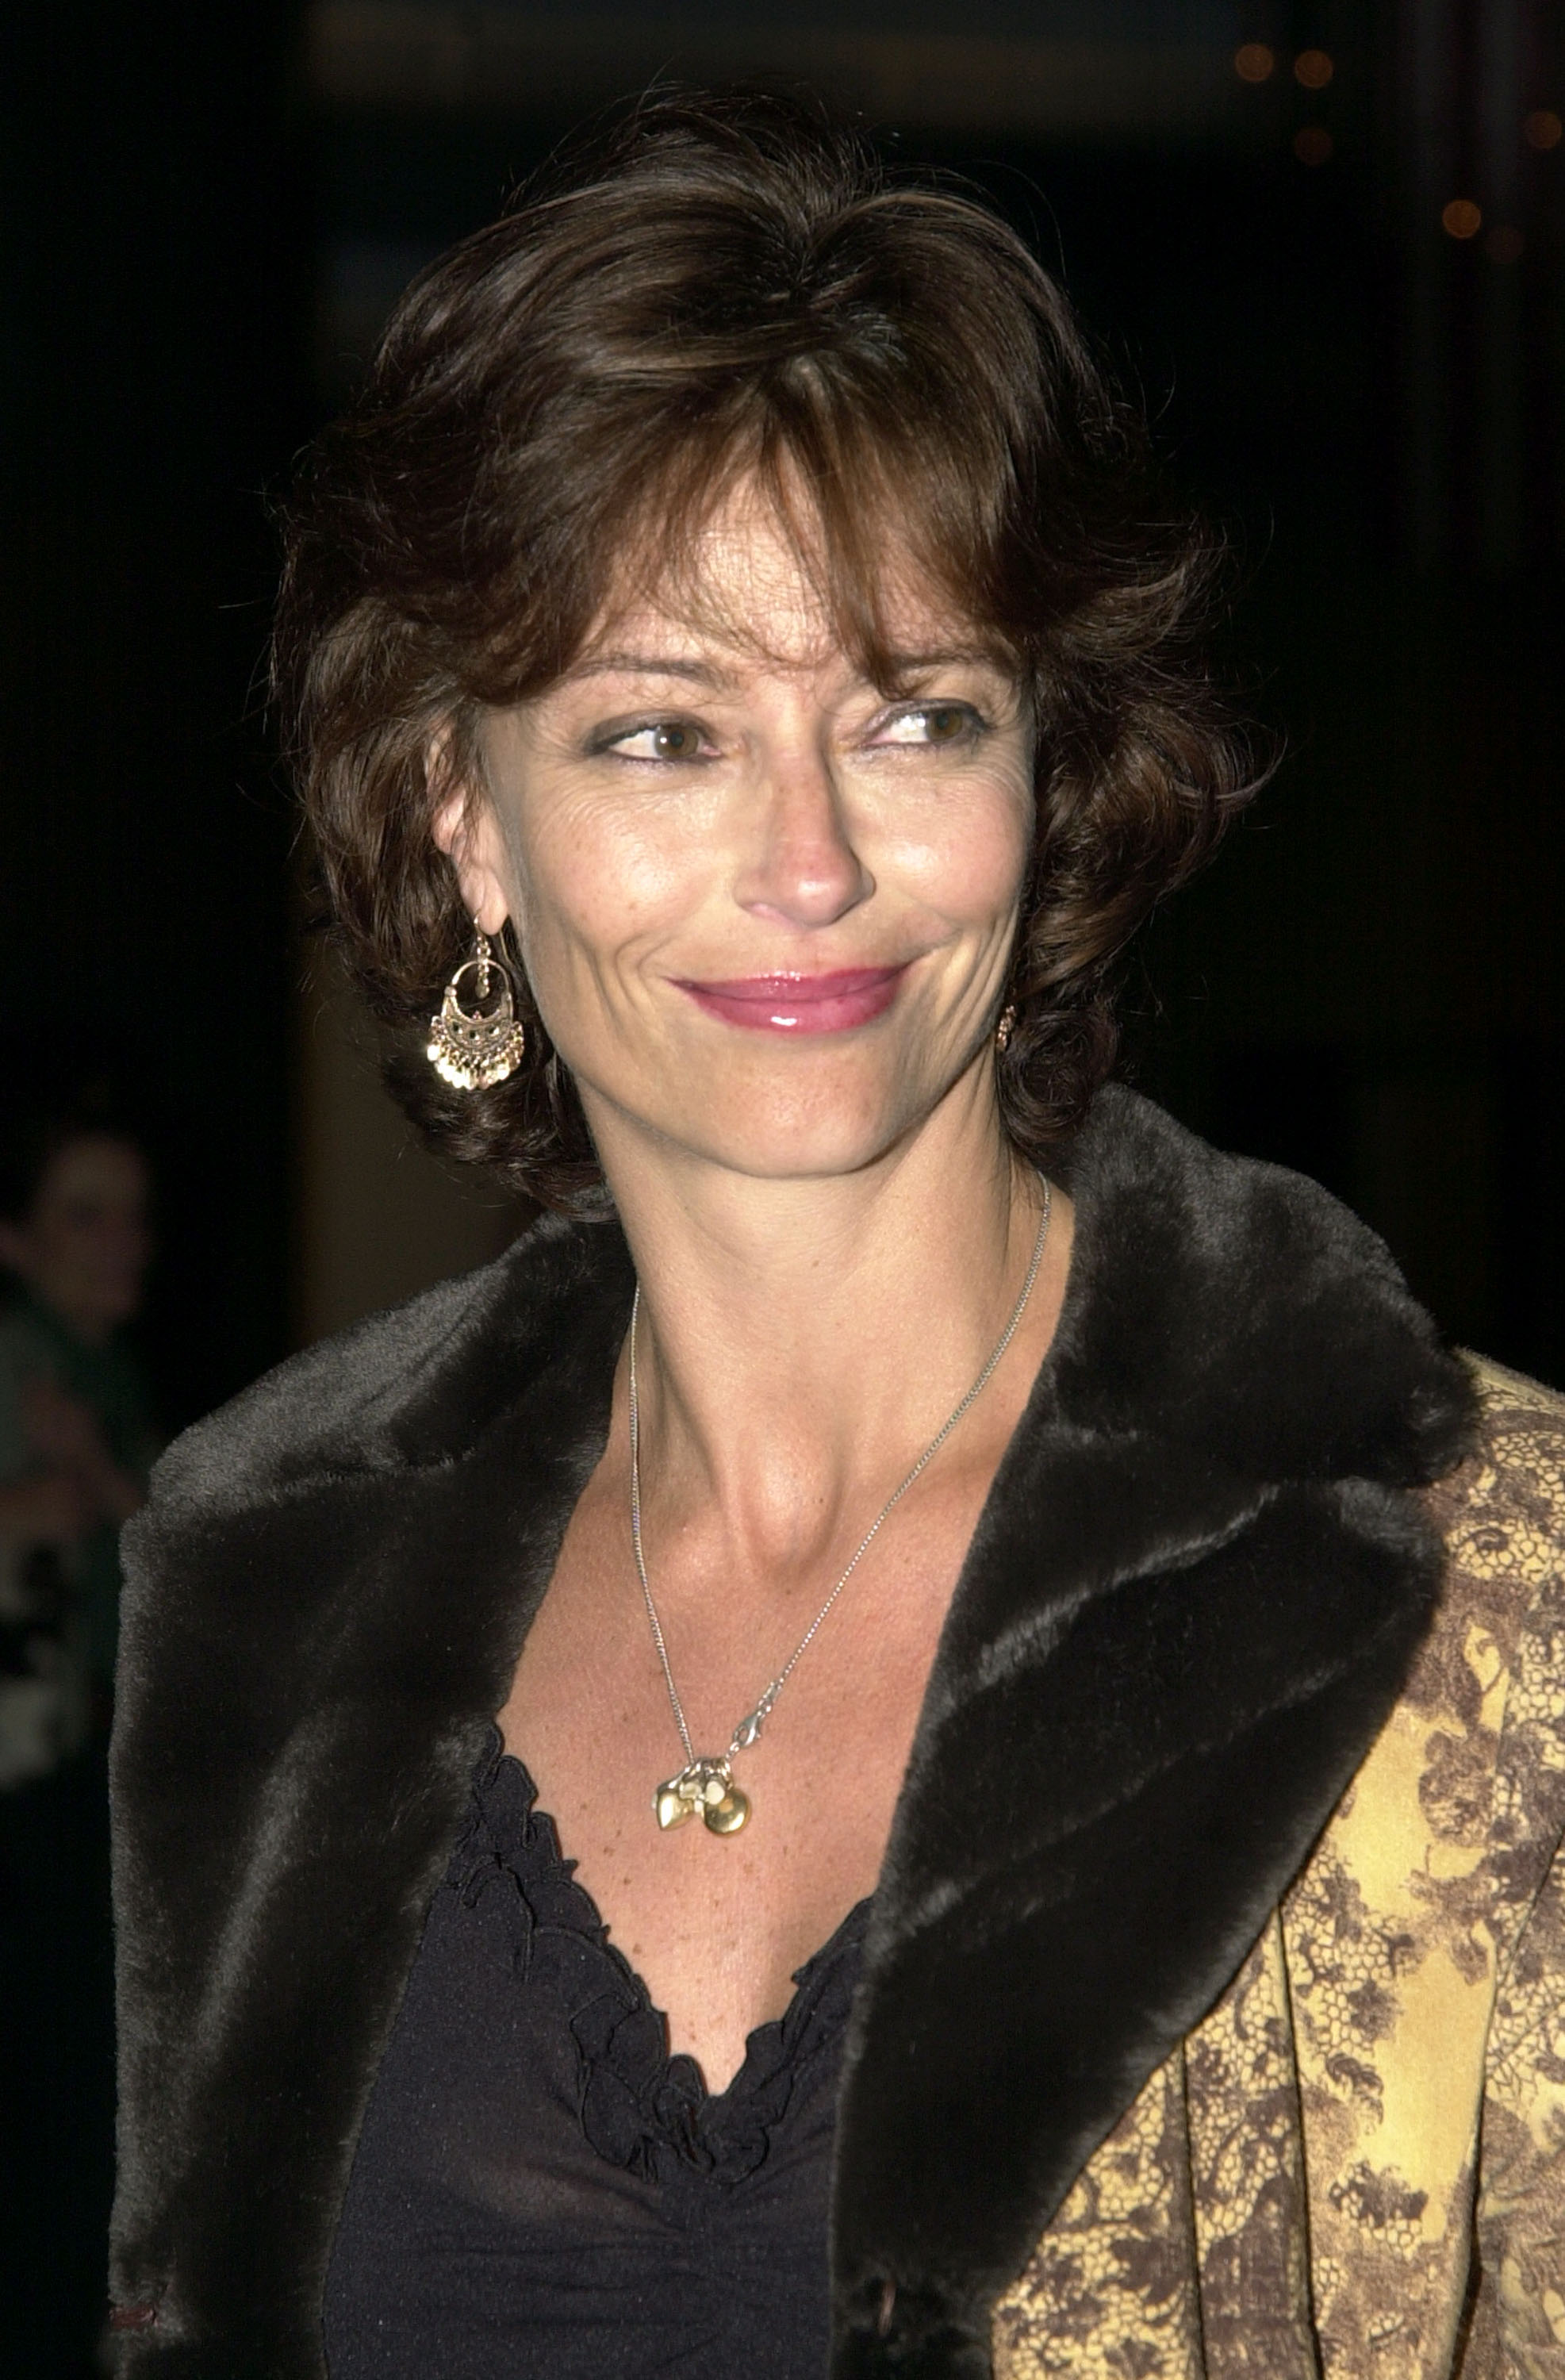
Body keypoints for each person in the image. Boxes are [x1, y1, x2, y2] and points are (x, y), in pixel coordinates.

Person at [108, 95, 1564, 2380]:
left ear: (1042, 779)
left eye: (911, 714)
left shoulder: (1490, 1586)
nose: (808, 866)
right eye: (662, 737)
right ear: (457, 815)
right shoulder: (261, 1581)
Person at [0, 1111, 156, 2379]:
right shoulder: (19, 1367)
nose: (124, 1245)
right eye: (84, 1216)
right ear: (16, 1240)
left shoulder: (100, 1386)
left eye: (132, 1214)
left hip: (76, 1792)